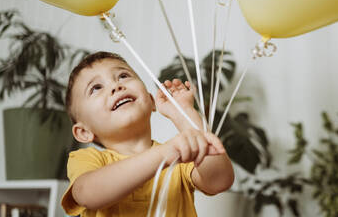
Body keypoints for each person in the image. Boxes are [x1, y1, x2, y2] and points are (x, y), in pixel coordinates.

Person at [61, 51, 234, 216]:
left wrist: (183, 113)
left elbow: (219, 180)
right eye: (96, 88)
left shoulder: (179, 160)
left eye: (123, 76)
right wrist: (166, 153)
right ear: (83, 132)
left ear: (151, 102)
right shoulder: (86, 159)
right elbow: (89, 194)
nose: (116, 86)